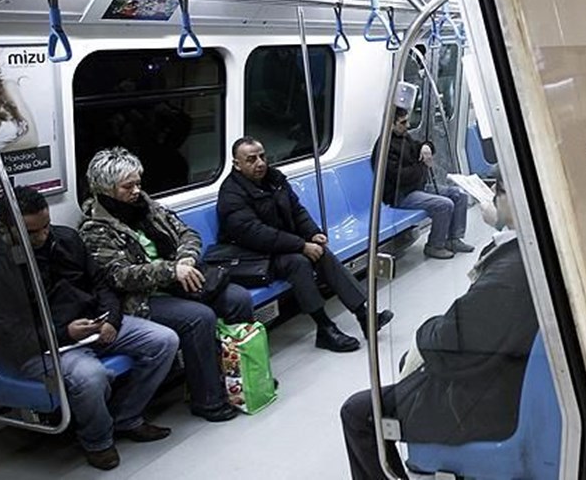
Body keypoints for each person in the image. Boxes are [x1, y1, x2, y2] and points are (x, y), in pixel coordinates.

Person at [340, 172, 539, 480]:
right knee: (409, 368)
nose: (493, 199)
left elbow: (450, 341)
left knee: (358, 411)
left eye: (498, 192)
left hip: (484, 403)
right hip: (506, 376)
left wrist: (424, 331)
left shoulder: (508, 274)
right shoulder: (533, 250)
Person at [0, 187, 178, 470]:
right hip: (45, 347)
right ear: (3, 228)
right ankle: (98, 441)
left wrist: (111, 320)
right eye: (32, 233)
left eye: (46, 226)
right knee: (90, 376)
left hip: (92, 324)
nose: (43, 237)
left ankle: (126, 417)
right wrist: (64, 332)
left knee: (164, 341)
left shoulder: (65, 238)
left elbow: (102, 284)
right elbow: (12, 339)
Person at [79, 147, 253, 422]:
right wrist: (171, 270)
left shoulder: (148, 207)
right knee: (199, 318)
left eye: (138, 183)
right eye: (128, 186)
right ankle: (207, 400)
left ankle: (242, 380)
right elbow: (119, 276)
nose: (137, 190)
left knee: (238, 298)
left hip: (180, 278)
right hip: (143, 299)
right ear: (106, 189)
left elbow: (187, 233)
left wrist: (185, 258)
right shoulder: (95, 229)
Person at [217, 137, 393, 353]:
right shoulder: (231, 194)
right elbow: (255, 234)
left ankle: (365, 316)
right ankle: (325, 328)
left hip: (278, 246)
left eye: (262, 156)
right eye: (251, 159)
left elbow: (297, 210)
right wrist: (301, 245)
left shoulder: (274, 179)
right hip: (251, 256)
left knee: (322, 253)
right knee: (299, 262)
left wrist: (313, 233)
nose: (260, 163)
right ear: (237, 164)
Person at [376, 108, 473, 260]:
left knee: (459, 195)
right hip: (401, 195)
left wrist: (426, 147)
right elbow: (400, 177)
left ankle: (454, 239)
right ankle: (434, 245)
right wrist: (422, 166)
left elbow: (421, 146)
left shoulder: (405, 137)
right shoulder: (384, 148)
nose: (407, 126)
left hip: (417, 188)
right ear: (391, 124)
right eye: (403, 123)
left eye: (408, 121)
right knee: (444, 204)